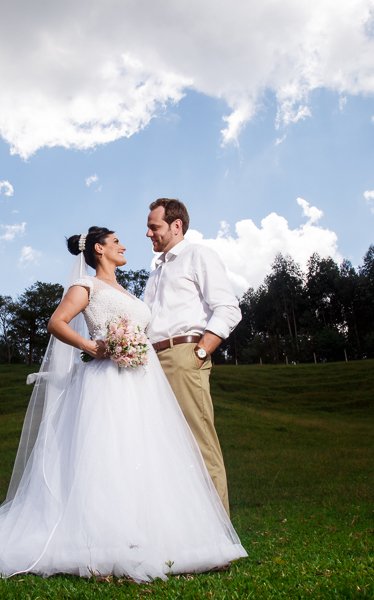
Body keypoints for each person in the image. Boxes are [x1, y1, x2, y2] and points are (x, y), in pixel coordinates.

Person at [0, 226, 246, 582]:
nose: (125, 245)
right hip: (106, 383)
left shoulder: (129, 290)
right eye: (116, 242)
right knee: (106, 455)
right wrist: (95, 346)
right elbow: (56, 323)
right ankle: (103, 538)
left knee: (141, 454)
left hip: (141, 385)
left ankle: (142, 533)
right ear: (98, 249)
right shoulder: (86, 287)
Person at [143, 199, 241, 516]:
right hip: (151, 365)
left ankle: (220, 536)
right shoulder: (156, 273)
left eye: (154, 226)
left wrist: (200, 352)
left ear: (176, 225)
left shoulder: (199, 255)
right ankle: (183, 530)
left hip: (185, 355)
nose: (148, 234)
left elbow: (227, 308)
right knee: (165, 448)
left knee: (200, 444)